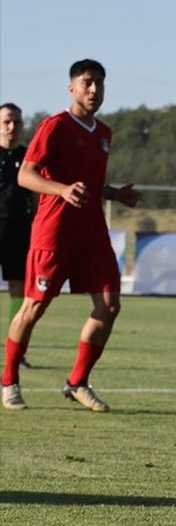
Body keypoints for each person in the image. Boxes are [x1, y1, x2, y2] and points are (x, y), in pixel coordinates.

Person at [2, 60, 141, 412]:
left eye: (100, 84)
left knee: (110, 305)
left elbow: (90, 186)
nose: (94, 90)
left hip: (92, 232)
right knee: (34, 308)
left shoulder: (104, 134)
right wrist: (61, 190)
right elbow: (26, 177)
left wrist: (113, 194)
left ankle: (77, 382)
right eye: (88, 83)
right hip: (54, 232)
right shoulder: (55, 126)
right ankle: (9, 381)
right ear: (72, 88)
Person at [1, 104, 35, 363]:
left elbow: (36, 193)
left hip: (19, 229)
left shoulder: (29, 156)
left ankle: (15, 348)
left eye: (17, 122)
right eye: (6, 122)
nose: (12, 127)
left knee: (19, 288)